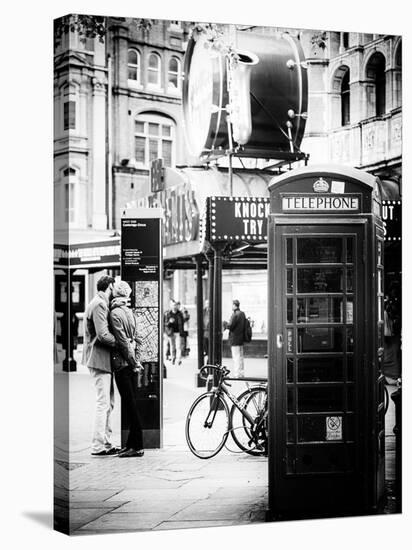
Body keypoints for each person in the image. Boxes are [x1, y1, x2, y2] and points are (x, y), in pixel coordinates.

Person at [82, 275, 119, 456]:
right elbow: (103, 335)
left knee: (108, 403)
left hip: (102, 360)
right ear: (109, 286)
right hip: (98, 360)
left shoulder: (98, 302)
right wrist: (121, 342)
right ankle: (98, 445)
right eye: (114, 288)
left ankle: (106, 443)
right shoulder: (99, 304)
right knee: (103, 403)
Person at [109, 280, 145, 458]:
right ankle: (131, 444)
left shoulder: (115, 313)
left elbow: (122, 342)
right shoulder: (130, 312)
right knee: (131, 404)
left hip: (122, 365)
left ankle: (137, 446)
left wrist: (131, 361)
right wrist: (137, 361)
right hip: (131, 365)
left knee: (130, 406)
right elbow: (138, 338)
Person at [223, 299, 247, 378]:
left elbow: (230, 326)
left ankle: (237, 374)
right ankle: (241, 373)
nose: (231, 306)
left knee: (236, 357)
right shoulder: (242, 314)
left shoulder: (235, 314)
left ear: (234, 305)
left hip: (235, 339)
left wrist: (225, 324)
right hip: (241, 339)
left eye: (232, 305)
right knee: (240, 357)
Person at [164, 300, 184, 365]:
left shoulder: (180, 313)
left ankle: (179, 359)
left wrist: (182, 332)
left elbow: (182, 322)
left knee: (178, 346)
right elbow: (166, 324)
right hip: (171, 333)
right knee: (172, 346)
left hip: (178, 332)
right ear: (171, 306)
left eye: (175, 305)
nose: (174, 307)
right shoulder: (168, 314)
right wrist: (170, 322)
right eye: (173, 305)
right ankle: (173, 358)